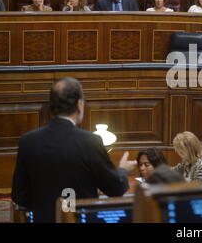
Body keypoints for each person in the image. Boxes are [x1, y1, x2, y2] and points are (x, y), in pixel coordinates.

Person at [11, 77, 137, 222]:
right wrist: (122, 169)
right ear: (79, 105)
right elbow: (116, 189)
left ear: (51, 106)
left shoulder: (28, 141)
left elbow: (19, 196)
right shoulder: (90, 142)